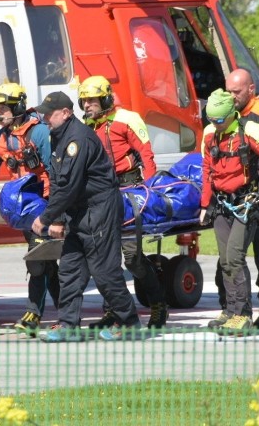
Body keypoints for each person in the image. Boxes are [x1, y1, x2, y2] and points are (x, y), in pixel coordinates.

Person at [31, 91, 141, 342]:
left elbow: (70, 186)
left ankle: (130, 322)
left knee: (104, 272)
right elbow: (59, 181)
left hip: (98, 210)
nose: (46, 118)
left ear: (66, 113)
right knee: (69, 269)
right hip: (78, 213)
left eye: (50, 114)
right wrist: (58, 220)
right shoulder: (58, 137)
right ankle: (68, 324)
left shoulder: (78, 139)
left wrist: (46, 218)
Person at [0, 82, 59, 337]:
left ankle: (33, 314)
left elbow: (57, 170)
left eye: (4, 107)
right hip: (24, 208)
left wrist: (58, 208)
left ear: (18, 106)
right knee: (46, 261)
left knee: (38, 260)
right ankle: (66, 311)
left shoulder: (40, 133)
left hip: (46, 203)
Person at [77, 75, 168, 329]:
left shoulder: (127, 119)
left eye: (92, 100)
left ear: (105, 98)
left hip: (128, 192)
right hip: (99, 196)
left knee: (133, 259)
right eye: (84, 101)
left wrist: (150, 191)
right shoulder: (86, 126)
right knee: (105, 260)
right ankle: (113, 311)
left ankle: (159, 305)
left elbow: (146, 156)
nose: (86, 106)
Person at [199, 89, 259, 332]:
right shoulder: (210, 134)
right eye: (211, 120)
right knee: (226, 262)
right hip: (221, 204)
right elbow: (208, 169)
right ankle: (230, 311)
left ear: (232, 114)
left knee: (234, 257)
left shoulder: (251, 130)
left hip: (247, 203)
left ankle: (243, 314)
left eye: (219, 120)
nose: (215, 125)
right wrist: (204, 204)